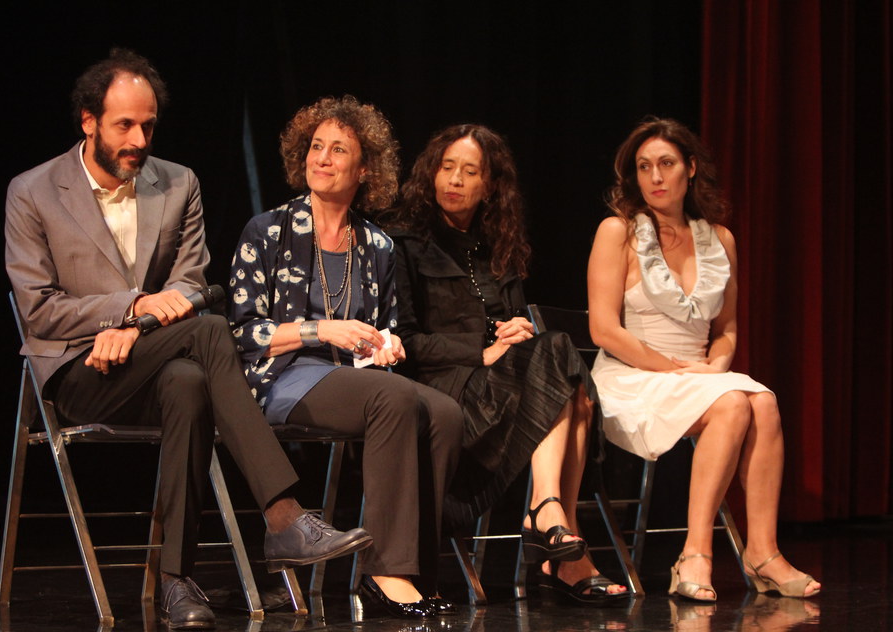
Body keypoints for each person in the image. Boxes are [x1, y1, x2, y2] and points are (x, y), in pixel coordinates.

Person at [4, 49, 371, 629]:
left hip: (158, 356)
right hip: (78, 370)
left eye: (148, 125)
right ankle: (283, 517)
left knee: (189, 382)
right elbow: (38, 311)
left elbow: (193, 284)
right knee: (205, 337)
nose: (138, 137)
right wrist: (128, 310)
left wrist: (137, 326)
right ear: (88, 120)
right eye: (124, 124)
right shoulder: (33, 192)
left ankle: (176, 580)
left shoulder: (177, 184)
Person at [228, 96, 464, 618]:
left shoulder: (376, 245)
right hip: (277, 378)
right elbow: (242, 335)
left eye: (339, 150)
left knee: (445, 412)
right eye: (316, 147)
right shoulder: (267, 231)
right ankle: (385, 571)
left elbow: (380, 332)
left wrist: (386, 344)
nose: (323, 158)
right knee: (392, 397)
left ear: (365, 169)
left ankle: (416, 569)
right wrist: (321, 328)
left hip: (347, 382)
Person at [387, 124, 628, 605]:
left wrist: (517, 333)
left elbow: (515, 332)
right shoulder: (403, 243)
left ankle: (550, 516)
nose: (454, 179)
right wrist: (481, 348)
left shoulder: (499, 247)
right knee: (565, 373)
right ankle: (555, 529)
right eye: (446, 167)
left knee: (563, 371)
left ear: (490, 186)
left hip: (506, 396)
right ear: (430, 174)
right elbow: (404, 342)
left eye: (469, 171)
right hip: (450, 398)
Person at [587, 117, 822, 601]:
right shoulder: (619, 232)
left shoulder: (721, 240)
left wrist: (715, 365)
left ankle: (763, 551)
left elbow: (727, 328)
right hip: (632, 378)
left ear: (690, 169)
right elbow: (604, 330)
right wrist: (675, 369)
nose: (655, 177)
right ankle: (696, 552)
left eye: (666, 164)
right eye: (644, 167)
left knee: (763, 402)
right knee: (737, 402)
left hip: (702, 378)